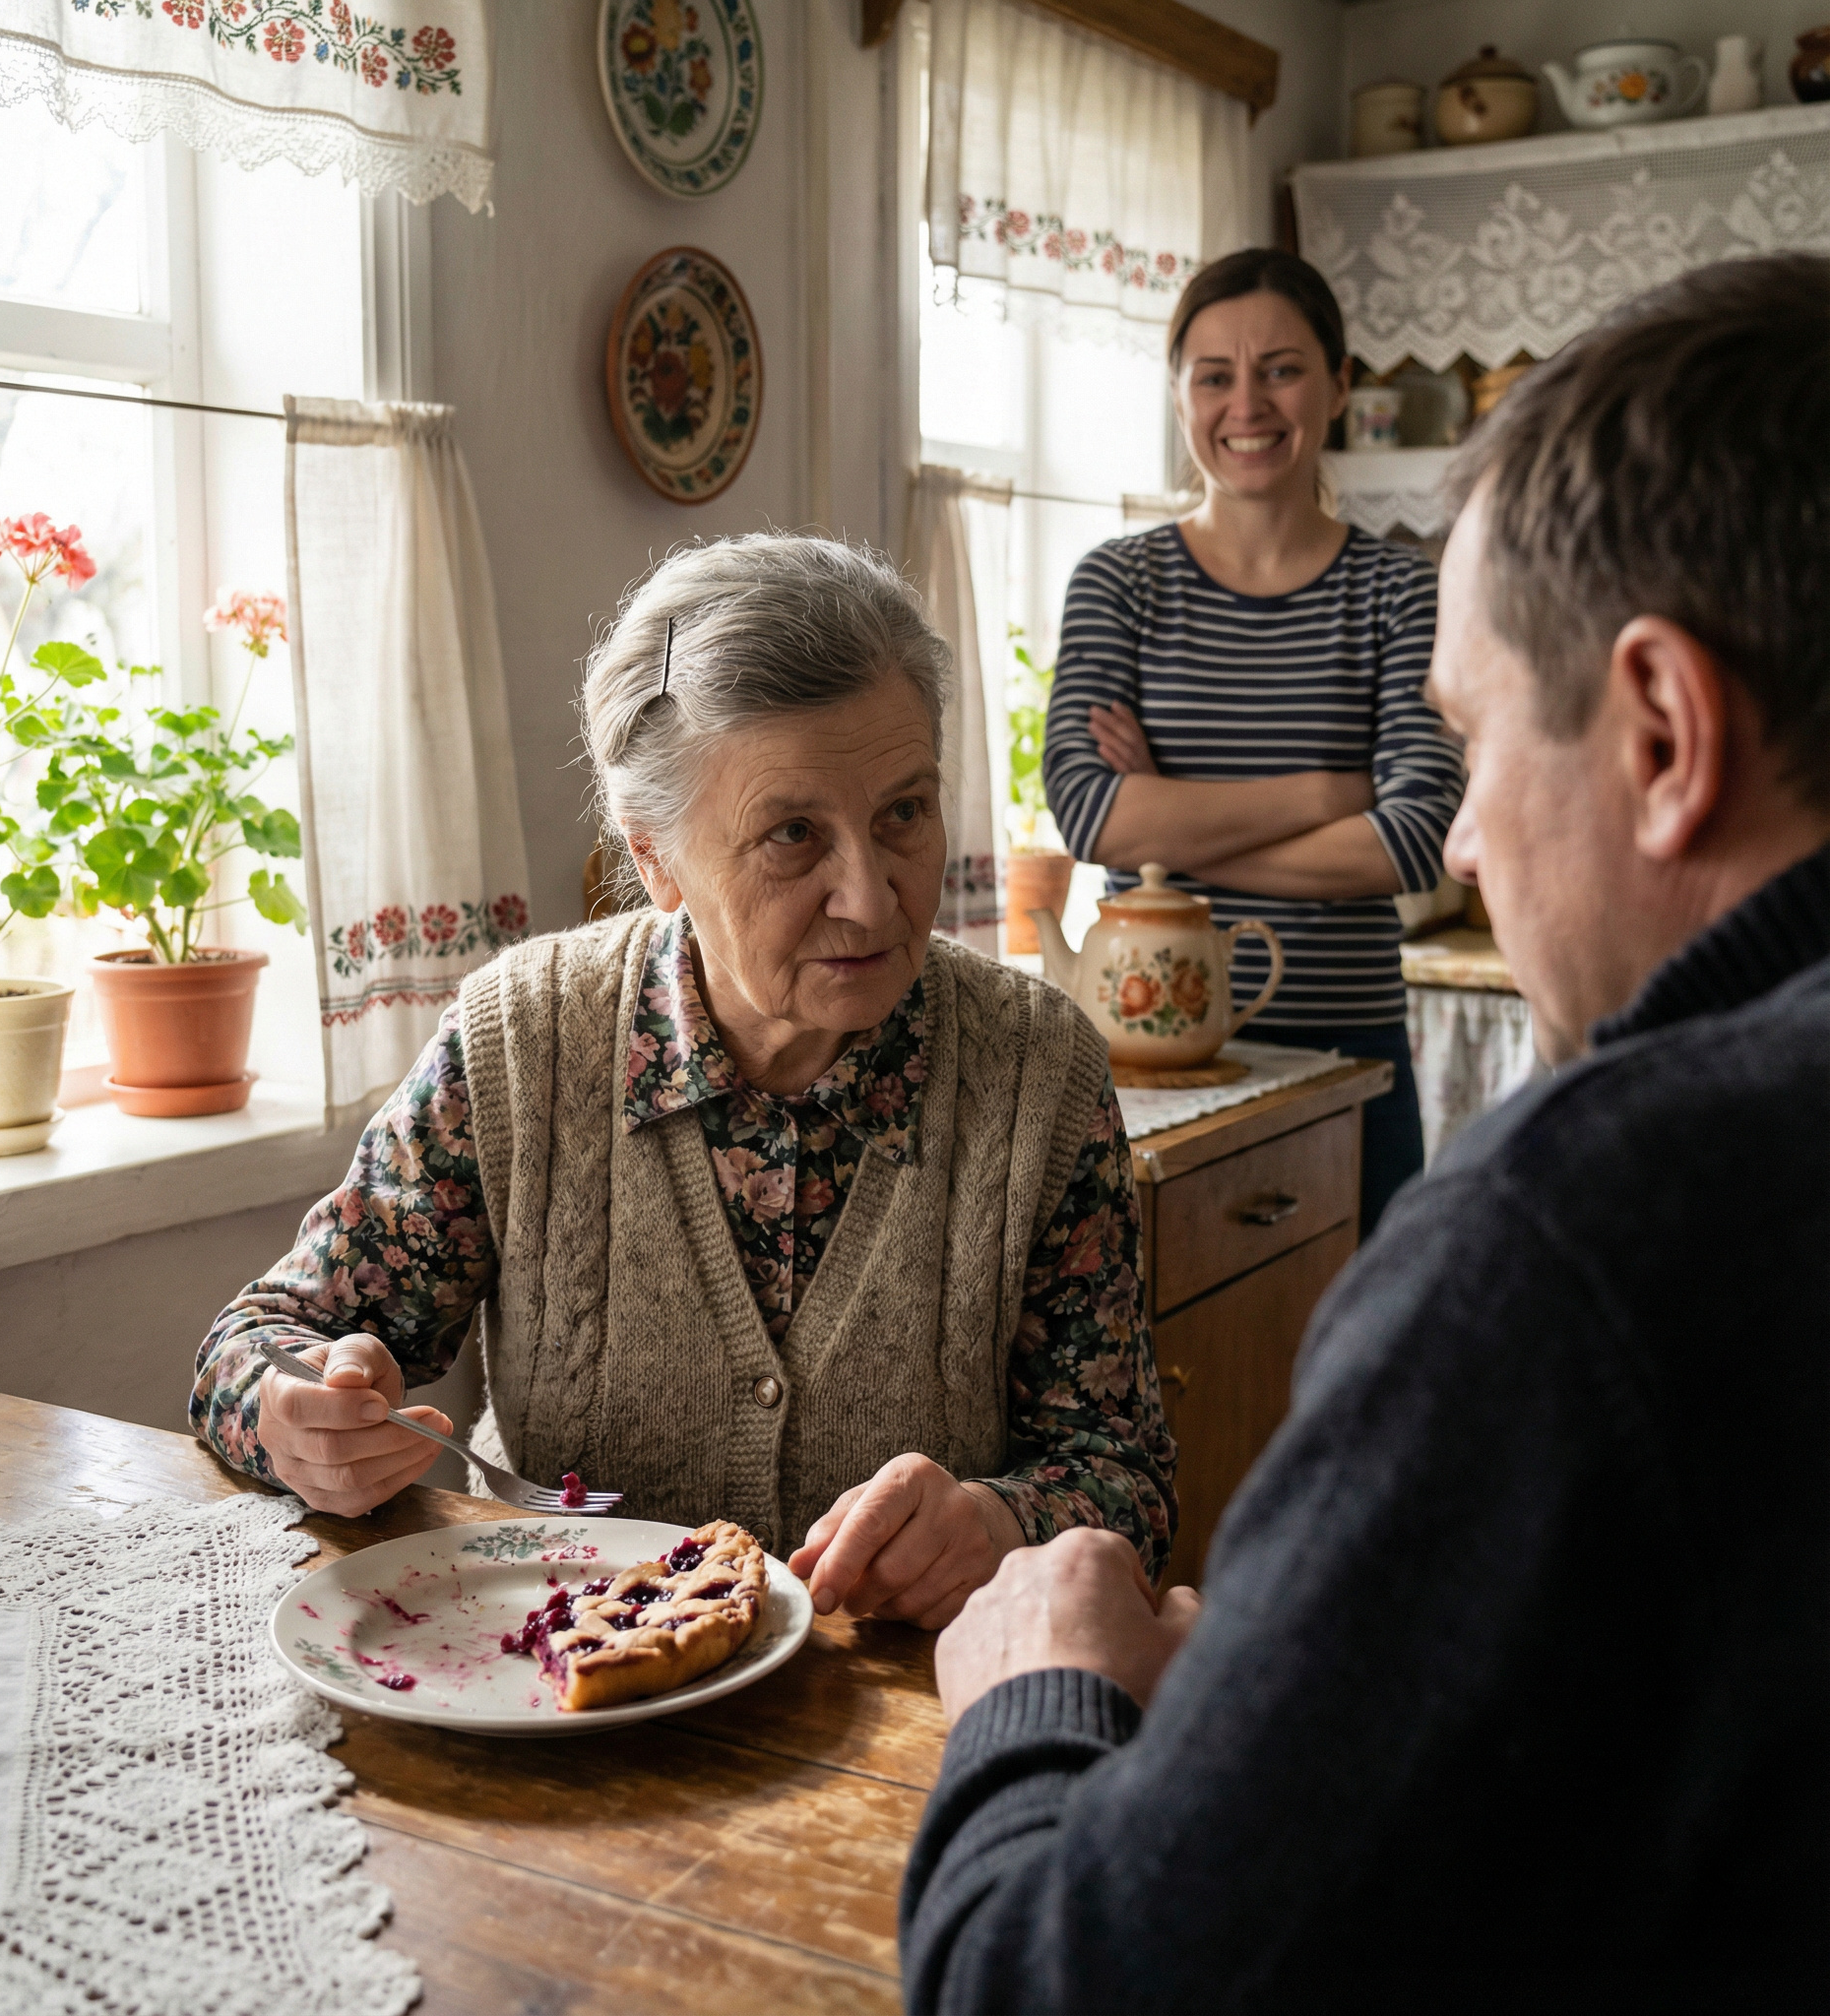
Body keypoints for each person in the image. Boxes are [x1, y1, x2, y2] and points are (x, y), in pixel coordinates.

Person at [899, 255, 1830, 2007]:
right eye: (1208, 375)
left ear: (1661, 731)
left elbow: (1061, 1982)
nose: (1467, 839)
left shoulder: (1563, 1237)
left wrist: (1038, 1682)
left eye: (1475, 746)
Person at [190, 535, 1175, 1629]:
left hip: (899, 1728)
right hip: (557, 1697)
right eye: (793, 833)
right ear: (654, 854)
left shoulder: (1038, 1073)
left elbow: (1122, 1476)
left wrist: (1000, 1522)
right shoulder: (521, 1045)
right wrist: (294, 1414)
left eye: (903, 811)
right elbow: (257, 1339)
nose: (871, 893)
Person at [1043, 249, 1464, 1235]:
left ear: (1337, 383)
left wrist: (1165, 832)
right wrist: (1328, 792)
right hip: (1148, 1054)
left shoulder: (1400, 593)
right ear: (1179, 393)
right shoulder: (1118, 583)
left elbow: (1410, 839)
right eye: (1213, 376)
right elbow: (1089, 813)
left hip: (1345, 1051)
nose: (1248, 404)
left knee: (1354, 1366)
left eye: (1279, 368)